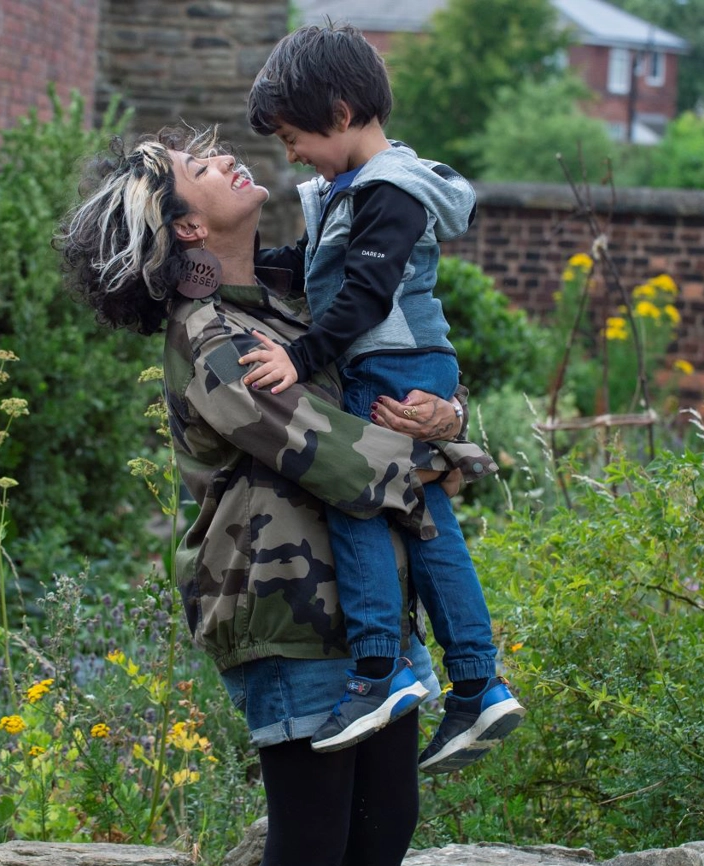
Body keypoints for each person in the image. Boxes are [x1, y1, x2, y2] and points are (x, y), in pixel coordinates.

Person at [54, 127, 493, 866]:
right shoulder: (211, 338)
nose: (227, 158)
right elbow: (334, 454)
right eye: (200, 167)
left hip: (376, 610)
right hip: (290, 616)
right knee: (314, 842)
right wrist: (455, 457)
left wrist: (449, 417)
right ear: (188, 228)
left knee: (386, 827)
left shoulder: (300, 296)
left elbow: (396, 374)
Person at [238, 22, 524, 769]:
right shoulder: (351, 189)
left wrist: (299, 357)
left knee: (356, 496)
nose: (291, 155)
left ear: (339, 113)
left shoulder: (390, 190)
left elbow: (363, 296)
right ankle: (477, 684)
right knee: (426, 521)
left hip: (391, 367)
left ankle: (377, 671)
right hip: (406, 365)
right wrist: (233, 267)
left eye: (295, 137)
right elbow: (308, 266)